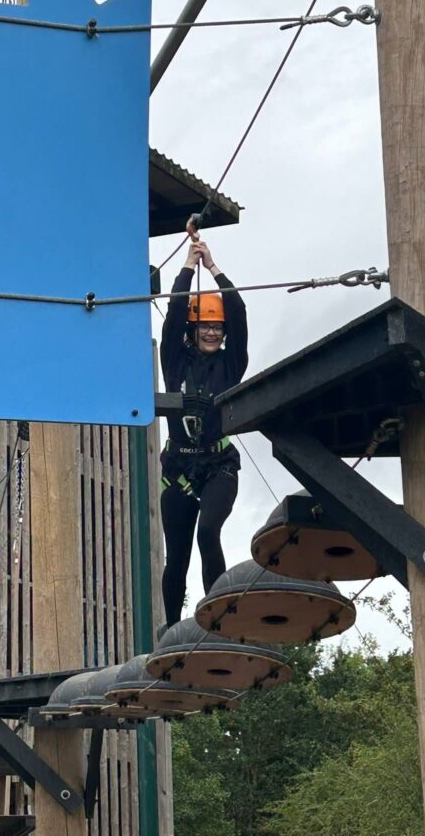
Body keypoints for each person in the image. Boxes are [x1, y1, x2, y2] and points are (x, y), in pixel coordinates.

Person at [159, 236, 248, 629]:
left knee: (208, 532)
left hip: (218, 466)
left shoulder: (231, 365)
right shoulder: (175, 362)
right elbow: (174, 314)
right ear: (193, 329)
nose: (212, 333)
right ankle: (172, 628)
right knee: (176, 556)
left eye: (218, 327)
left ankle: (218, 620)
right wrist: (186, 267)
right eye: (205, 326)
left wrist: (212, 266)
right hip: (178, 468)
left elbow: (240, 312)